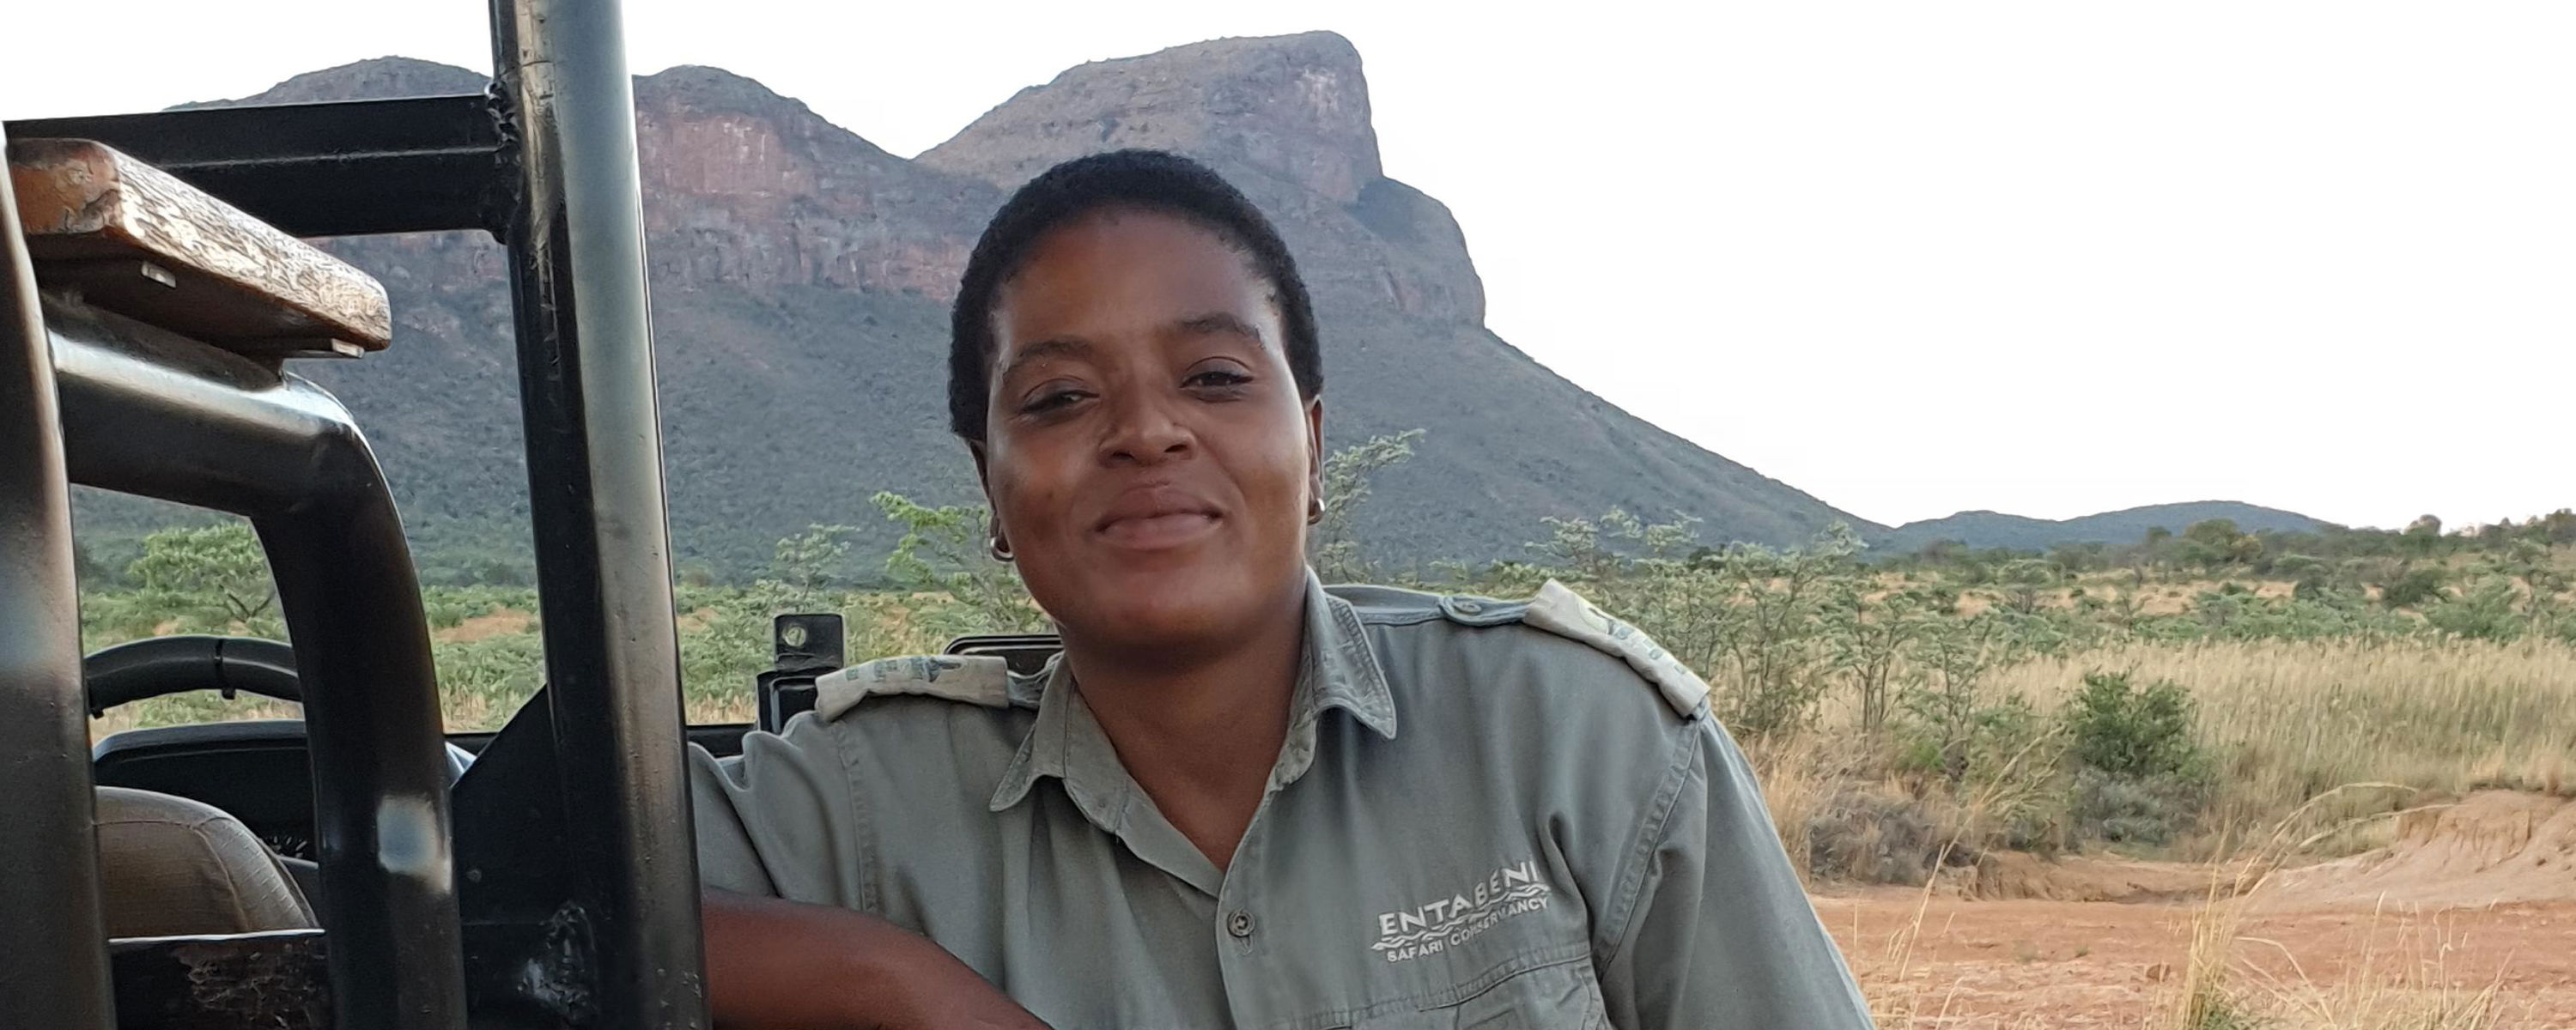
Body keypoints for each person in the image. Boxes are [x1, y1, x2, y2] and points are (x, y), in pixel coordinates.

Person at [690, 149, 1874, 1030]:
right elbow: (524, 892)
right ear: (991, 493)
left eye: (1212, 376)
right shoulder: (860, 803)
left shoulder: (1576, 741)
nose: (1146, 432)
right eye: (1058, 398)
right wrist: (897, 988)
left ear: (1311, 449)